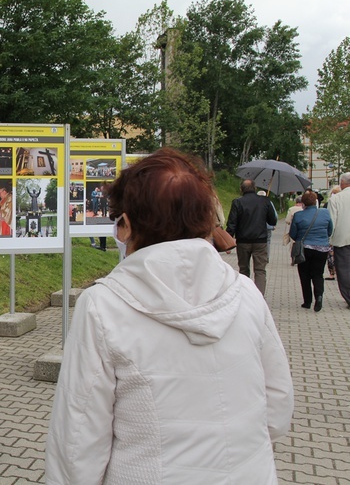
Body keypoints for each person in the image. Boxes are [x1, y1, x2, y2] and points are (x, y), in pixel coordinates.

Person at [45, 148, 293, 484]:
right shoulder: (246, 293)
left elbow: (78, 439)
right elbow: (278, 409)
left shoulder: (102, 306)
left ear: (126, 225)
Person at [226, 178, 278, 295]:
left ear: (241, 189)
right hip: (260, 241)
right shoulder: (264, 201)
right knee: (260, 270)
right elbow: (272, 221)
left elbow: (232, 223)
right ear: (255, 188)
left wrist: (228, 241)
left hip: (243, 241)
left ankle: (246, 295)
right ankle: (259, 296)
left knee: (243, 269)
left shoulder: (237, 202)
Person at [289, 191, 333, 311]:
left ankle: (307, 301)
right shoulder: (325, 213)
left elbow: (293, 234)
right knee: (318, 274)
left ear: (303, 203)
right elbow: (330, 230)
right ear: (316, 201)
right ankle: (319, 297)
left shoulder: (298, 215)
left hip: (305, 248)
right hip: (322, 249)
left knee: (304, 274)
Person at [327, 172, 350, 308]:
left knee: (344, 268)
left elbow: (332, 222)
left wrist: (329, 239)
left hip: (342, 238)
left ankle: (348, 296)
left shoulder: (336, 199)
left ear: (342, 183)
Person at [324, 185, 342, 280]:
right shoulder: (327, 204)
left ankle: (339, 272)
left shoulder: (342, 203)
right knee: (330, 255)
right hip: (331, 233)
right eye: (333, 193)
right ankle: (332, 273)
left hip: (339, 233)